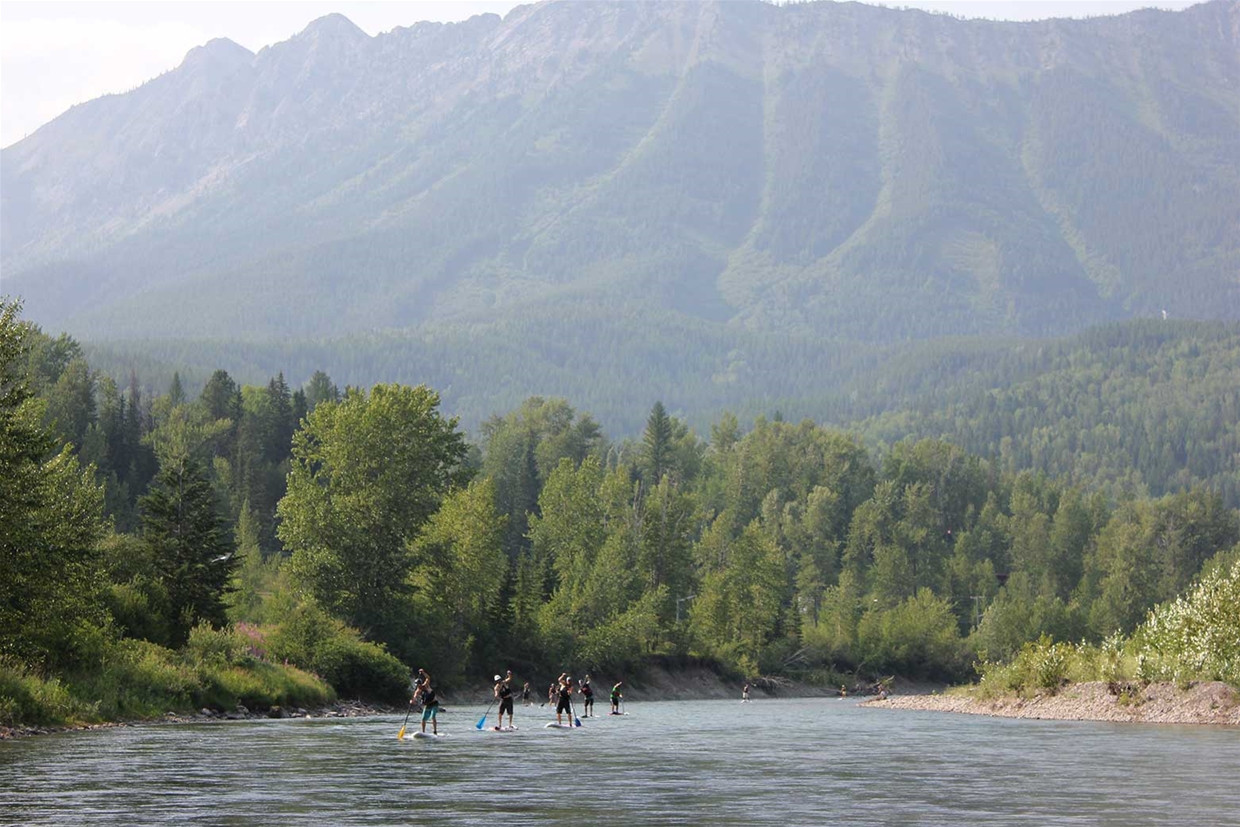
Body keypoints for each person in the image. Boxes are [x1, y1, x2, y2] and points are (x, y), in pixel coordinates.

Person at [411, 668, 439, 735]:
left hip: (434, 704)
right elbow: (415, 696)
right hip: (427, 705)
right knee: (423, 719)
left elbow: (428, 677)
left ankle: (435, 731)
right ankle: (423, 732)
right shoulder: (418, 690)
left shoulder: (426, 685)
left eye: (418, 685)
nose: (418, 686)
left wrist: (423, 672)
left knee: (432, 716)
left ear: (420, 684)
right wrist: (412, 700)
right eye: (417, 685)